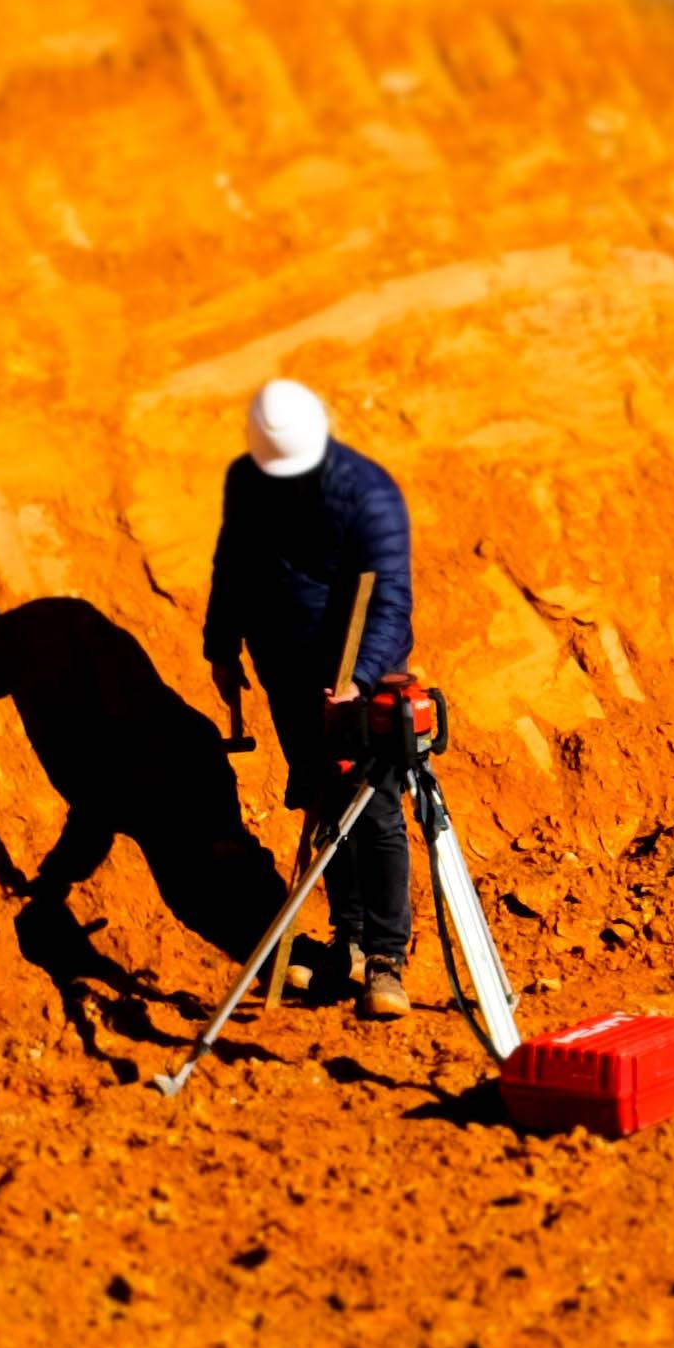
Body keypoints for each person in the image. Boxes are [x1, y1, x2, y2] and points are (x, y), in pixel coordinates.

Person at [0, 597, 289, 1015]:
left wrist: (57, 877)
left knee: (208, 879)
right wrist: (60, 873)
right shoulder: (33, 643)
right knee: (214, 873)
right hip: (167, 766)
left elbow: (101, 776)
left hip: (166, 773)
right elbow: (97, 785)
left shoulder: (42, 660)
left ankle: (292, 961)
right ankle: (292, 963)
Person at [202, 377, 422, 1017]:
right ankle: (347, 940)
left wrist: (359, 679)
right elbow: (233, 563)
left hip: (361, 669)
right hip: (285, 669)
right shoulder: (247, 479)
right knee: (322, 800)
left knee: (371, 806)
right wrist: (222, 646)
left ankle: (386, 958)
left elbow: (390, 602)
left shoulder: (369, 497)